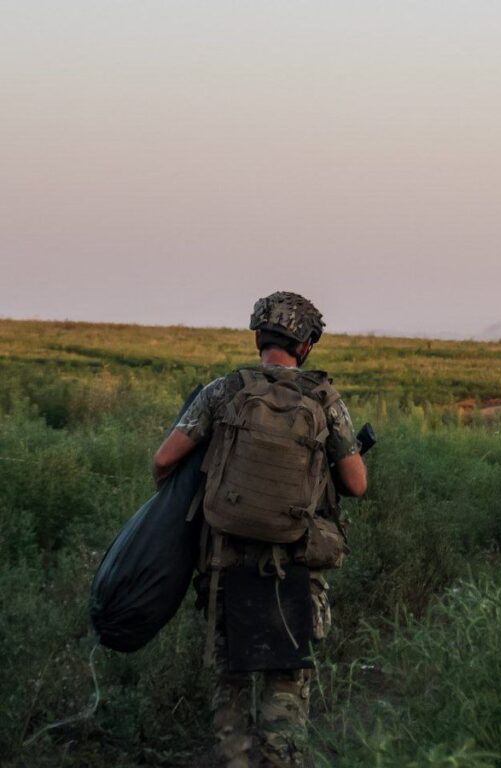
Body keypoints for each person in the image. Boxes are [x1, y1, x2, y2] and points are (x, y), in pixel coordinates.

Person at [151, 291, 367, 768]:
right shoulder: (324, 399)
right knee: (284, 707)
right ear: (306, 346)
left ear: (256, 337)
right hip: (293, 572)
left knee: (229, 697)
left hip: (224, 568)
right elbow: (356, 482)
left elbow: (164, 460)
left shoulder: (223, 391)